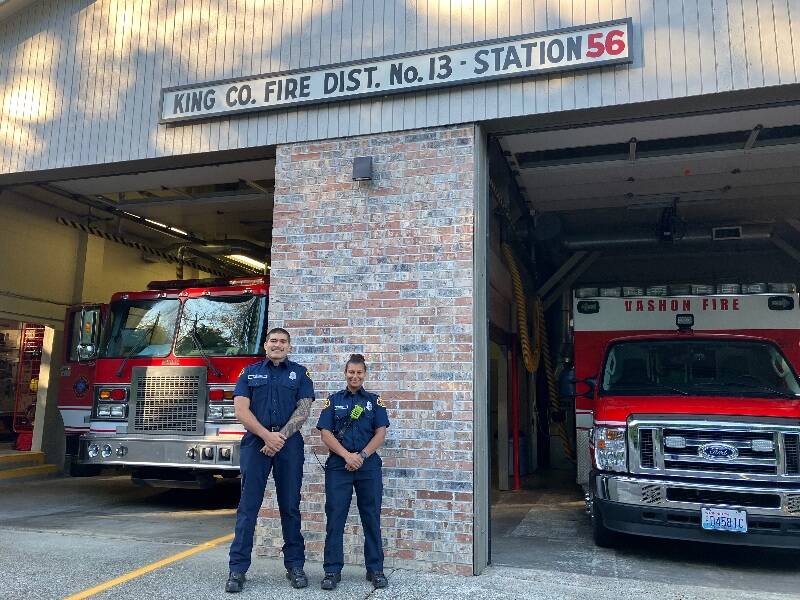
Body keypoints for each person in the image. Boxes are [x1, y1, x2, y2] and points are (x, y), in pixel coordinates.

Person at [225, 327, 315, 593]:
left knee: (290, 506)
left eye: (283, 341)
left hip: (289, 445)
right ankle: (237, 570)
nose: (278, 345)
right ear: (265, 345)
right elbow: (241, 410)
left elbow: (304, 409)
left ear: (289, 346)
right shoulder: (249, 372)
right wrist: (266, 436)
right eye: (273, 341)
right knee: (248, 507)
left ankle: (295, 566)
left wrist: (279, 438)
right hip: (256, 443)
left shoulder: (300, 373)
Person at [316, 353, 390, 591]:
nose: (354, 376)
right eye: (351, 372)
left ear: (365, 374)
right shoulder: (333, 400)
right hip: (339, 466)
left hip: (368, 466)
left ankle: (375, 570)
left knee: (371, 517)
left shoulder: (375, 402)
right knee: (335, 518)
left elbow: (380, 433)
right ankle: (332, 571)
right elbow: (325, 433)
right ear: (345, 373)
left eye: (359, 372)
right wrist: (347, 456)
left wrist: (361, 456)